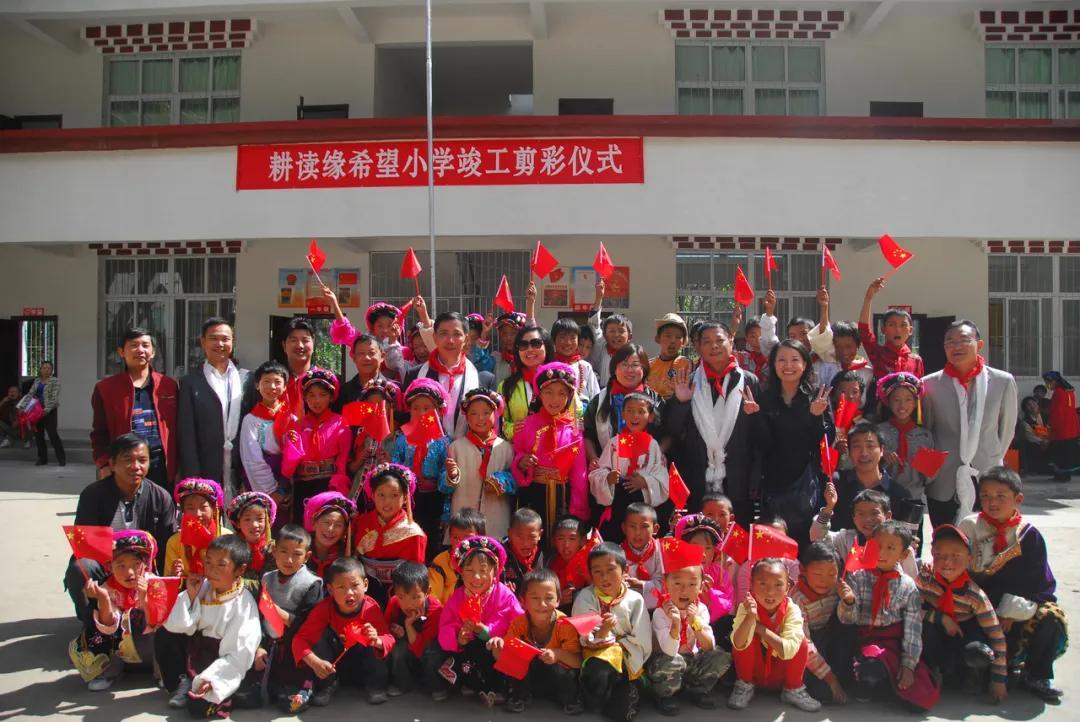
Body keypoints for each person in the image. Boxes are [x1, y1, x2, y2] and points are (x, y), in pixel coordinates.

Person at [958, 467, 1067, 701]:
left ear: (1018, 499)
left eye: (1000, 496)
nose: (992, 502)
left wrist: (1010, 611)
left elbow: (1037, 581)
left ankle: (1037, 674)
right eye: (986, 496)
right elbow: (955, 568)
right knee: (974, 652)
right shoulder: (969, 527)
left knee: (1050, 617)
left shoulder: (1028, 534)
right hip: (976, 607)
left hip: (1017, 610)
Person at [67, 434, 175, 624]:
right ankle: (93, 624)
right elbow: (84, 544)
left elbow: (168, 543)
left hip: (143, 565)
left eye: (142, 460)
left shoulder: (160, 497)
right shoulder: (93, 495)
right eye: (128, 460)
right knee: (81, 567)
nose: (136, 466)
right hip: (105, 562)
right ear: (112, 463)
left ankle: (148, 619)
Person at [922, 320, 1017, 526]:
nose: (956, 347)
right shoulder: (929, 384)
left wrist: (992, 456)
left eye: (964, 340)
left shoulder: (1002, 381)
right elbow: (927, 431)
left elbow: (1007, 430)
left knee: (988, 536)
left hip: (987, 473)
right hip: (944, 479)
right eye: (950, 342)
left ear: (979, 344)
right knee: (946, 537)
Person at [666, 321, 761, 526]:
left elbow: (759, 437)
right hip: (699, 476)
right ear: (698, 347)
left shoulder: (749, 381)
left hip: (738, 477)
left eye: (719, 340)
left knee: (736, 537)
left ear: (731, 341)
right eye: (707, 342)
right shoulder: (690, 381)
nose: (714, 346)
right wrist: (681, 403)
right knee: (701, 538)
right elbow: (673, 431)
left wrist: (754, 416)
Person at [837, 521, 940, 710]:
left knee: (919, 698)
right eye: (877, 546)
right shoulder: (857, 576)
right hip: (863, 640)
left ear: (904, 554)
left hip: (893, 644)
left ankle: (884, 683)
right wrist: (849, 602)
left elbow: (912, 629)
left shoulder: (907, 585)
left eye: (890, 548)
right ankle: (868, 681)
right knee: (870, 667)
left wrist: (908, 665)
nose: (882, 553)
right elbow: (847, 620)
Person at [162, 535, 262, 719]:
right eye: (208, 562)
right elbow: (178, 624)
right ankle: (183, 681)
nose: (212, 570)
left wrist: (212, 680)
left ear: (240, 569)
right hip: (194, 653)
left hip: (221, 661)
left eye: (221, 565)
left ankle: (210, 688)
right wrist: (190, 595)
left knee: (197, 709)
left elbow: (239, 652)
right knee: (165, 632)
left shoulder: (244, 604)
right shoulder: (202, 587)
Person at [744, 339, 833, 544]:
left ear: (805, 364)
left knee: (806, 542)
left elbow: (827, 441)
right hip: (774, 482)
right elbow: (764, 445)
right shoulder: (765, 398)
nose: (788, 365)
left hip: (807, 482)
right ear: (773, 364)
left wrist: (816, 417)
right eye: (781, 360)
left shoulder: (816, 396)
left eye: (794, 360)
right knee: (777, 542)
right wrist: (755, 417)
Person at [916, 524, 1008, 702]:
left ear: (969, 559)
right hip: (937, 634)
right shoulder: (925, 580)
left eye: (956, 556)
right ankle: (932, 671)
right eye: (939, 555)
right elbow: (908, 610)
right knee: (925, 631)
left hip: (964, 636)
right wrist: (940, 618)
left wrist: (999, 679)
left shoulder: (976, 596)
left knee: (978, 651)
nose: (947, 562)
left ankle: (972, 675)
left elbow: (996, 634)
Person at [288, 557, 393, 710]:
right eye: (341, 587)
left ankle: (375, 686)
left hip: (363, 663)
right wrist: (315, 663)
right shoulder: (324, 608)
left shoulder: (371, 608)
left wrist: (377, 640)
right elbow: (300, 640)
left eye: (355, 585)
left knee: (372, 639)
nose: (349, 593)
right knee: (322, 637)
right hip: (334, 666)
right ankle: (326, 686)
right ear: (330, 590)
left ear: (365, 585)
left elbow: (388, 639)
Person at [435, 536, 524, 706]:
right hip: (472, 649)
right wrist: (459, 637)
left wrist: (488, 631)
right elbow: (447, 624)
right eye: (469, 570)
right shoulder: (458, 596)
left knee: (497, 649)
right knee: (465, 654)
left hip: (496, 645)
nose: (476, 577)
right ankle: (473, 684)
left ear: (495, 571)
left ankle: (496, 689)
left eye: (483, 570)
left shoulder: (504, 595)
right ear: (461, 572)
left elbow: (516, 621)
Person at [647, 538, 732, 715]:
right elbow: (669, 650)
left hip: (691, 659)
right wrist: (676, 623)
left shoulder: (700, 609)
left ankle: (696, 689)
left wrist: (695, 622)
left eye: (692, 584)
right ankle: (666, 695)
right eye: (677, 584)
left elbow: (708, 646)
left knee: (720, 656)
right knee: (672, 661)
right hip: (669, 660)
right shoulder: (661, 612)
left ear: (701, 587)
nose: (684, 590)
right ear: (666, 584)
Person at [571, 542, 651, 721]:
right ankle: (594, 698)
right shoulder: (586, 597)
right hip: (597, 656)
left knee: (620, 713)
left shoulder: (635, 600)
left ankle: (624, 690)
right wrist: (603, 632)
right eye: (597, 571)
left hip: (629, 658)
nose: (604, 577)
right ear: (590, 574)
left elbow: (642, 639)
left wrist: (619, 646)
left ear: (625, 570)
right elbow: (585, 637)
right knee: (599, 668)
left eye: (610, 570)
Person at [728, 558, 821, 712]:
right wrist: (750, 618)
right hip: (755, 673)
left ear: (788, 587)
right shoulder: (747, 607)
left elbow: (788, 650)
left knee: (801, 642)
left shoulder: (792, 610)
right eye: (763, 584)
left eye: (778, 585)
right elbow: (738, 644)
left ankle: (793, 689)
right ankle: (744, 685)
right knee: (745, 632)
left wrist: (761, 629)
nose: (770, 592)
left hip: (781, 673)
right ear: (751, 585)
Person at [68, 530, 156, 691]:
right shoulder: (107, 588)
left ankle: (163, 673)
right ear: (109, 567)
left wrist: (144, 598)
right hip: (122, 653)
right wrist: (104, 599)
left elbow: (156, 621)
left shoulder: (154, 583)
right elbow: (108, 627)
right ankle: (111, 671)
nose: (130, 572)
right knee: (97, 628)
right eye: (121, 566)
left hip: (151, 650)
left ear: (145, 563)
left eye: (136, 564)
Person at [90, 326, 178, 489]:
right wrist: (104, 464)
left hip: (161, 465)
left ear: (153, 352)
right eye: (133, 345)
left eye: (145, 345)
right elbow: (99, 433)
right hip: (125, 466)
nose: (140, 350)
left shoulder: (169, 386)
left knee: (162, 505)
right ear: (121, 352)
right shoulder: (105, 389)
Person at [512, 362, 590, 529]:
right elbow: (518, 454)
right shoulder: (525, 425)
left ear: (569, 396)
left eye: (562, 393)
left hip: (563, 499)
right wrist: (521, 462)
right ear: (539, 394)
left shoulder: (574, 430)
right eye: (549, 392)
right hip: (532, 496)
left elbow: (579, 474)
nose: (555, 399)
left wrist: (577, 511)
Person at [497, 567, 584, 714]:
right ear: (523, 601)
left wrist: (557, 654)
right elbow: (505, 657)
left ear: (558, 600)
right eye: (535, 598)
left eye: (549, 598)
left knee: (562, 669)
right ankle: (520, 696)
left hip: (556, 679)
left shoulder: (564, 624)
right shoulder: (518, 624)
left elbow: (577, 661)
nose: (542, 604)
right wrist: (498, 647)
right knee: (517, 657)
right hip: (531, 678)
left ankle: (570, 698)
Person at [176, 318, 247, 494]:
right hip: (206, 470)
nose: (220, 344)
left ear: (233, 342)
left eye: (225, 339)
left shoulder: (247, 379)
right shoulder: (190, 383)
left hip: (241, 472)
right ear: (203, 342)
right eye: (213, 338)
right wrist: (193, 476)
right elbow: (187, 433)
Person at [588, 392, 668, 543]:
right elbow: (598, 471)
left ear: (650, 416)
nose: (635, 416)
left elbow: (661, 476)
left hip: (642, 502)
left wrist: (645, 481)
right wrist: (608, 478)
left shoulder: (653, 445)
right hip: (618, 500)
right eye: (630, 411)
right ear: (623, 414)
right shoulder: (614, 442)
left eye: (641, 412)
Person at [403, 310, 496, 437]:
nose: (450, 340)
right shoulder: (415, 375)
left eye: (457, 334)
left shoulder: (483, 380)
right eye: (444, 334)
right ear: (435, 337)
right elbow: (407, 420)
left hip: (467, 448)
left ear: (466, 339)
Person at [259, 523, 323, 700]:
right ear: (274, 551)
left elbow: (311, 623)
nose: (289, 560)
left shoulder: (311, 583)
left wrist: (278, 613)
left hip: (296, 645)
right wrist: (259, 647)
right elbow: (257, 616)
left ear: (307, 556)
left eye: (297, 554)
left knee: (290, 701)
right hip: (270, 643)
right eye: (283, 552)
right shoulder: (267, 578)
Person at [442, 389, 515, 541]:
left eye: (486, 413)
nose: (480, 418)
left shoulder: (505, 448)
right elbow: (443, 487)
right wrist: (452, 476)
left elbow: (515, 480)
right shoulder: (456, 447)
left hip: (496, 518)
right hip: (463, 521)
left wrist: (501, 482)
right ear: (466, 417)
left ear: (495, 414)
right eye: (474, 413)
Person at [283, 367, 351, 521]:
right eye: (311, 395)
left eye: (323, 395)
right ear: (305, 397)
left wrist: (337, 486)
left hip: (328, 484)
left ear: (331, 397)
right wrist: (292, 446)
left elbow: (343, 459)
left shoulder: (340, 422)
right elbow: (288, 468)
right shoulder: (298, 424)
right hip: (302, 486)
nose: (317, 400)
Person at [353, 463, 427, 598]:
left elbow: (415, 575)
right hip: (364, 592)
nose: (387, 501)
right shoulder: (360, 522)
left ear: (405, 498)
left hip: (399, 595)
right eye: (381, 494)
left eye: (394, 495)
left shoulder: (413, 534)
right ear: (373, 495)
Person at [583, 344, 660, 469]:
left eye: (635, 365)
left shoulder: (655, 400)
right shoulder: (600, 400)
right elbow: (588, 434)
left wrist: (657, 458)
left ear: (644, 369)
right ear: (614, 368)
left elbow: (666, 434)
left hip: (647, 471)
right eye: (624, 364)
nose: (629, 370)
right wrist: (593, 457)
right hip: (608, 470)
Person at [394, 377, 453, 537]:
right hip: (408, 500)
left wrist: (450, 475)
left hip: (434, 501)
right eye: (416, 408)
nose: (421, 413)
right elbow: (396, 468)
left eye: (427, 408)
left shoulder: (444, 442)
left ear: (439, 411)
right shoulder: (402, 440)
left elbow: (447, 486)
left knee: (431, 539)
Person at [791, 542, 849, 704]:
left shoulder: (839, 588)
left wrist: (848, 602)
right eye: (817, 574)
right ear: (803, 570)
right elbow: (805, 643)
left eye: (832, 574)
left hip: (830, 639)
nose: (824, 581)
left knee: (847, 630)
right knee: (821, 693)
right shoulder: (796, 598)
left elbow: (849, 620)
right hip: (808, 645)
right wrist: (831, 680)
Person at [829, 422, 912, 533]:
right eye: (857, 446)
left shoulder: (899, 494)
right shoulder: (835, 484)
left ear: (882, 450)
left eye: (870, 446)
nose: (864, 453)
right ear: (849, 452)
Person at [238, 361, 289, 522]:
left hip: (286, 481)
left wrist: (285, 488)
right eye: (266, 381)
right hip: (261, 483)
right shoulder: (251, 420)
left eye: (277, 382)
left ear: (285, 386)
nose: (272, 387)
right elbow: (252, 459)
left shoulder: (291, 417)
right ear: (257, 385)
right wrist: (272, 491)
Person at [385, 560, 444, 696]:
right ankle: (403, 684)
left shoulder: (436, 611)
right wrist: (394, 633)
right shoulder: (394, 603)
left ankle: (436, 686)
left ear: (427, 592)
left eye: (415, 597)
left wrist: (408, 625)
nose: (408, 604)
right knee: (397, 649)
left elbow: (420, 649)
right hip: (408, 652)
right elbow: (385, 630)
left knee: (433, 652)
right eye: (401, 597)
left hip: (427, 651)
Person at [876, 372, 936, 503]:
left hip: (914, 498)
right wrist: (881, 456)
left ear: (915, 403)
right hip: (884, 498)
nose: (902, 405)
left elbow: (929, 479)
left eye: (908, 399)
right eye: (896, 400)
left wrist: (927, 466)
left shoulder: (925, 436)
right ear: (888, 402)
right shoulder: (879, 432)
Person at [858, 278, 924, 379]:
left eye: (903, 325)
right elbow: (864, 330)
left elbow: (919, 386)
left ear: (910, 330)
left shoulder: (916, 360)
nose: (898, 330)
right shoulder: (878, 354)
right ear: (883, 329)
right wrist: (868, 298)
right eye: (892, 325)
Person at [499, 325, 554, 441]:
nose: (529, 349)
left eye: (536, 343)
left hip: (555, 448)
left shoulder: (560, 379)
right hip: (519, 449)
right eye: (523, 345)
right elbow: (498, 422)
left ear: (547, 346)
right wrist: (512, 429)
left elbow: (575, 415)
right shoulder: (506, 386)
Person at [165, 478, 227, 577]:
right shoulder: (174, 542)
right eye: (190, 508)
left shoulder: (227, 538)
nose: (198, 514)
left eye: (203, 507)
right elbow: (167, 581)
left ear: (214, 509)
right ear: (183, 512)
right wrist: (175, 576)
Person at [429, 508, 485, 605]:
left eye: (468, 538)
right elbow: (433, 597)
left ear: (481, 539)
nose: (461, 543)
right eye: (455, 537)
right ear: (450, 537)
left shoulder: (488, 562)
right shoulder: (441, 562)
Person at [586, 279, 634, 388]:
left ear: (630, 336)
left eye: (621, 331)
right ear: (604, 335)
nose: (616, 335)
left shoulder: (635, 355)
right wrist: (599, 298)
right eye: (612, 331)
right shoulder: (601, 346)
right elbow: (593, 324)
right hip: (603, 394)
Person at [226, 491, 277, 588]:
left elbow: (270, 585)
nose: (254, 525)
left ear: (267, 521)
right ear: (238, 523)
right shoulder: (230, 548)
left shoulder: (274, 549)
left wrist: (238, 583)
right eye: (247, 519)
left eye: (260, 519)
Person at [550, 318, 601, 414]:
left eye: (573, 338)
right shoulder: (548, 366)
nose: (568, 342)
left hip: (582, 416)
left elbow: (595, 397)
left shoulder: (585, 366)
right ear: (553, 340)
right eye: (562, 337)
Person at [303, 491, 357, 581]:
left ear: (344, 531)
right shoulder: (299, 552)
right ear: (313, 523)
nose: (330, 529)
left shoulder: (346, 557)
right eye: (326, 522)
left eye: (338, 525)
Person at [620, 502, 664, 609]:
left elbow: (663, 582)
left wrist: (641, 584)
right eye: (632, 526)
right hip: (628, 607)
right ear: (624, 528)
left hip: (658, 607)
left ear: (655, 529)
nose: (637, 532)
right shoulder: (617, 553)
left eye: (644, 526)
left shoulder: (661, 551)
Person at [1042, 371, 1080, 481]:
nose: (1047, 385)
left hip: (1061, 428)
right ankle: (1065, 475)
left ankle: (1061, 476)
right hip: (1071, 427)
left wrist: (1050, 425)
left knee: (1060, 453)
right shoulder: (1069, 391)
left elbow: (1057, 412)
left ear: (1054, 381)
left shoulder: (1058, 392)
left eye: (1048, 382)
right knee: (1067, 454)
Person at [647, 313, 692, 401]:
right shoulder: (649, 365)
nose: (673, 341)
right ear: (658, 339)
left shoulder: (687, 364)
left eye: (678, 337)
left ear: (683, 342)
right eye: (668, 336)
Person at [502, 507, 545, 592]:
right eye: (520, 537)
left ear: (540, 535)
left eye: (531, 537)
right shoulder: (501, 556)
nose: (525, 543)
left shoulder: (542, 556)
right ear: (509, 533)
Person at [32, 360, 65, 466]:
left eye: (49, 368)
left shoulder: (55, 381)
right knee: (38, 435)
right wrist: (24, 407)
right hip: (36, 411)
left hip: (49, 411)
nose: (46, 370)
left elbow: (54, 398)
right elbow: (30, 394)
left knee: (52, 435)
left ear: (52, 370)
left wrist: (46, 410)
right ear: (40, 369)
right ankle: (42, 459)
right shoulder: (37, 381)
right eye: (44, 368)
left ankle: (61, 459)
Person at [1017, 395, 1051, 474]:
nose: (1032, 406)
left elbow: (1053, 429)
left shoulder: (1046, 416)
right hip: (1037, 445)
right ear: (1026, 409)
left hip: (1050, 442)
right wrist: (1042, 442)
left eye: (1033, 402)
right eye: (1028, 405)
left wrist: (1049, 441)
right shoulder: (1026, 422)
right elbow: (1030, 436)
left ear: (1037, 403)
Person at [493, 311, 528, 383]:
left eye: (513, 333)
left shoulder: (529, 359)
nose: (508, 338)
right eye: (504, 333)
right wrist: (484, 336)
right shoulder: (495, 359)